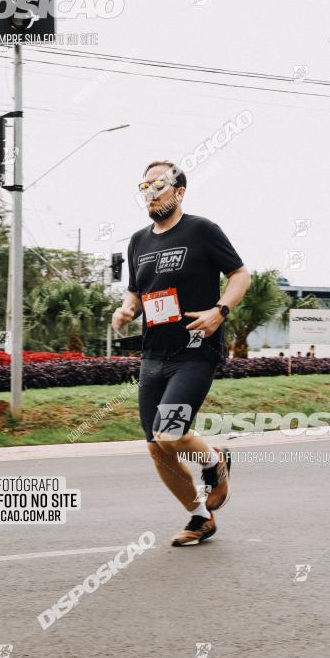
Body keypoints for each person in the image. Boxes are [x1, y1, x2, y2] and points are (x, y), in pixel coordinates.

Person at [112, 160, 251, 547]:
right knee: (157, 447)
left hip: (195, 351)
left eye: (159, 184)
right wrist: (126, 309)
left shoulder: (202, 231)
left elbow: (241, 275)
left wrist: (219, 312)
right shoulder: (139, 241)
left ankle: (214, 462)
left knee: (169, 432)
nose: (151, 192)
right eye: (145, 186)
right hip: (153, 355)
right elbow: (137, 292)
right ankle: (200, 517)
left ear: (179, 191)